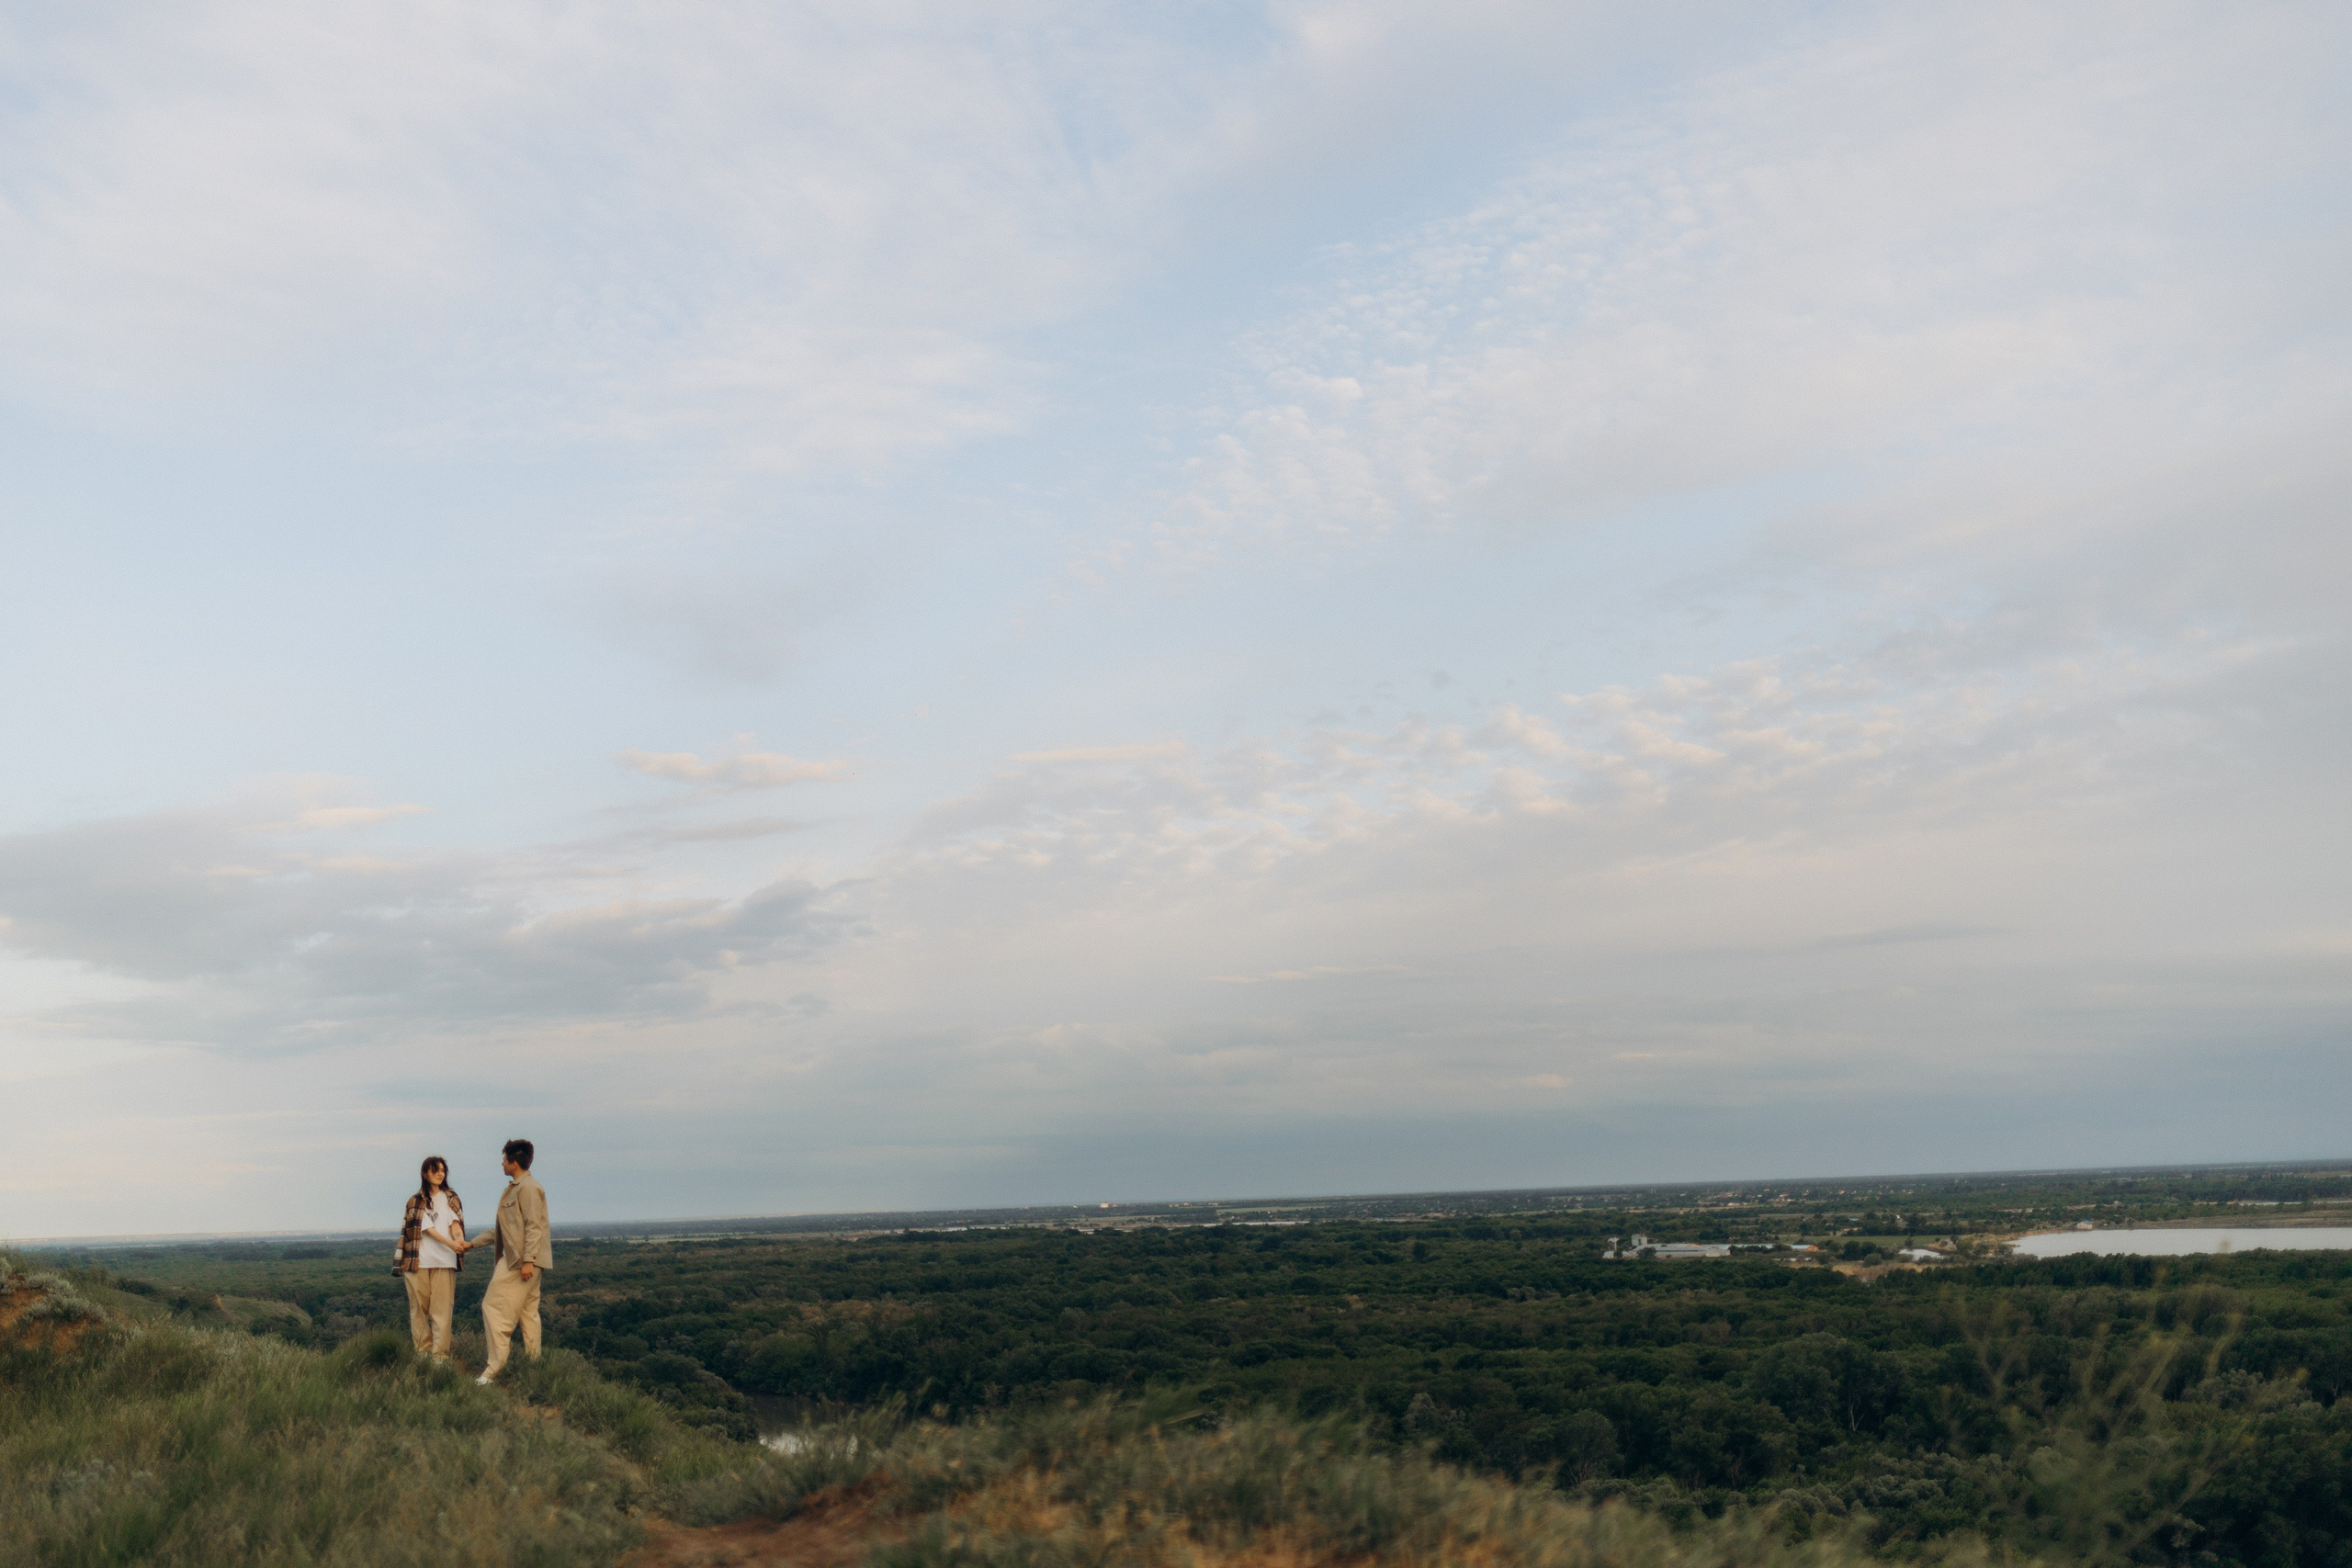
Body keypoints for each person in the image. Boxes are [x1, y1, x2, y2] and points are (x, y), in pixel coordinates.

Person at [459, 1137, 550, 1383]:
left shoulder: (528, 1188)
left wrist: (528, 1261)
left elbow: (534, 1227)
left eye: (504, 1160)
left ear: (514, 1162)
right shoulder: (516, 1188)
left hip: (520, 1262)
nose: (501, 1164)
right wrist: (471, 1244)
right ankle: (534, 1369)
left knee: (493, 1308)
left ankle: (494, 1369)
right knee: (528, 1315)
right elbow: (502, 1230)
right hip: (524, 1261)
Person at [392, 1155, 466, 1359]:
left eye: (442, 1170)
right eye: (435, 1170)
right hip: (418, 1262)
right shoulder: (415, 1201)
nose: (440, 1174)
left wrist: (459, 1241)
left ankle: (440, 1356)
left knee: (442, 1311)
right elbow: (430, 1231)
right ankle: (423, 1353)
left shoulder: (451, 1198)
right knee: (419, 1310)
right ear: (425, 1173)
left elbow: (455, 1224)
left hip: (445, 1261)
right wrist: (452, 1244)